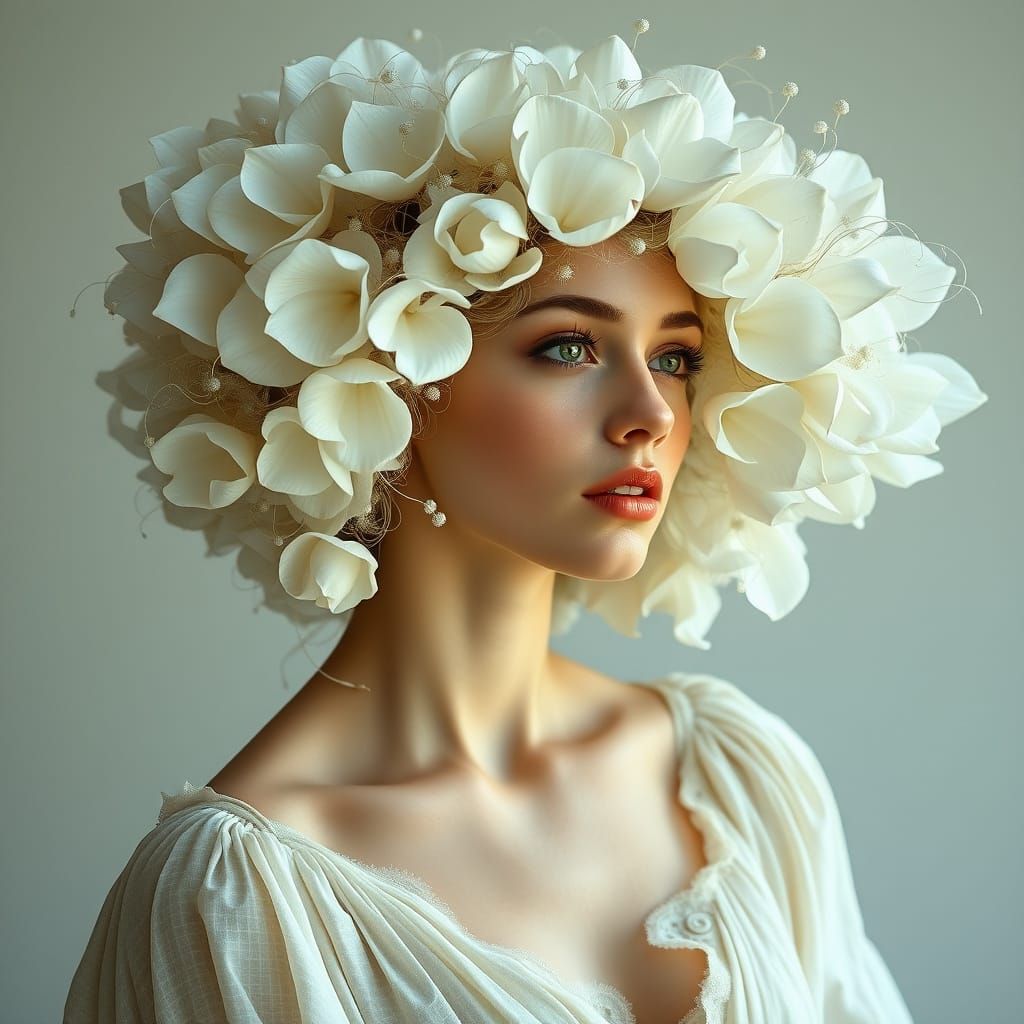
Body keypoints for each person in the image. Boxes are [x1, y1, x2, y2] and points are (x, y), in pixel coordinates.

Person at [64, 27, 985, 1024]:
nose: (651, 414)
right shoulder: (239, 898)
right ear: (380, 369)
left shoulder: (735, 772)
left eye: (675, 358)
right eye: (568, 347)